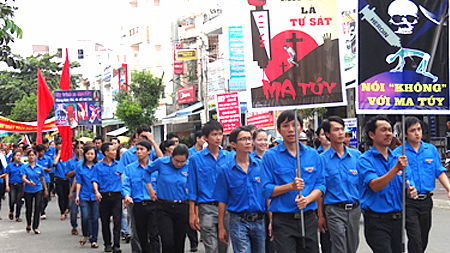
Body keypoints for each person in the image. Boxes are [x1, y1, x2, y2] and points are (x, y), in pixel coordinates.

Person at [260, 110, 325, 252]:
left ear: (301, 128)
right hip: (283, 220)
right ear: (279, 130)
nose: (290, 129)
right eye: (285, 126)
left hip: (308, 218)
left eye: (294, 125)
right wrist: (290, 186)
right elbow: (265, 189)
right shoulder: (270, 156)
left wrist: (307, 199)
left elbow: (320, 185)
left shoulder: (313, 154)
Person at [358, 115, 418, 253]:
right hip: (376, 221)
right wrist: (396, 169)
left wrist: (411, 190)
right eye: (383, 130)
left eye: (390, 130)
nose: (388, 134)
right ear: (372, 134)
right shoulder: (365, 160)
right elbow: (375, 185)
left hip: (397, 219)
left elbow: (408, 182)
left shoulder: (399, 158)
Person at [393, 116, 450, 253]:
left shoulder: (430, 150)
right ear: (405, 134)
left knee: (423, 237)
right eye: (413, 130)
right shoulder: (398, 153)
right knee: (415, 237)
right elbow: (398, 175)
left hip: (426, 200)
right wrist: (408, 187)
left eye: (419, 129)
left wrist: (449, 188)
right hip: (409, 201)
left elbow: (439, 171)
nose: (417, 133)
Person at [214, 126, 267, 253]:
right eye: (243, 139)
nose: (248, 142)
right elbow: (222, 201)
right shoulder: (225, 170)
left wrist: (271, 221)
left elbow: (268, 194)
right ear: (233, 144)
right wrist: (221, 227)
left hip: (260, 220)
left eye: (249, 139)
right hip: (238, 221)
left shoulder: (261, 166)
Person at [187, 120, 233, 253]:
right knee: (211, 247)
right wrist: (192, 214)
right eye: (214, 134)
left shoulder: (230, 157)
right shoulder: (196, 159)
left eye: (220, 134)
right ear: (206, 138)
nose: (218, 138)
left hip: (226, 208)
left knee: (223, 245)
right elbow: (192, 187)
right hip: (206, 207)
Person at [318, 117, 362, 253]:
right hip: (334, 210)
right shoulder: (322, 160)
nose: (341, 133)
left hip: (355, 209)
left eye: (342, 129)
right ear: (328, 135)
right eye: (336, 130)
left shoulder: (357, 156)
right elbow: (320, 189)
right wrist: (320, 215)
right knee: (339, 246)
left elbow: (363, 183)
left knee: (352, 247)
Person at [117, 124, 163, 253]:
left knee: (154, 234)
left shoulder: (155, 167)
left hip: (154, 204)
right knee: (140, 234)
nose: (138, 152)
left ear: (149, 152)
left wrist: (152, 141)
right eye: (137, 149)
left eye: (142, 149)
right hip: (138, 204)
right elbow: (125, 184)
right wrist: (126, 195)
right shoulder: (130, 168)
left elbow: (163, 160)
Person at [144, 144, 190, 253]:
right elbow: (147, 171)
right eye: (176, 161)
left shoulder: (189, 166)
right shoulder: (161, 162)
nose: (179, 164)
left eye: (182, 162)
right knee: (167, 241)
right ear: (171, 156)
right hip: (164, 207)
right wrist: (150, 188)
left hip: (182, 206)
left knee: (179, 242)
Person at [92, 143, 123, 253]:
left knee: (117, 221)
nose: (116, 152)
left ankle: (116, 245)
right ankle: (107, 244)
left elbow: (123, 179)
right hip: (104, 196)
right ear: (106, 152)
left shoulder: (119, 165)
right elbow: (94, 180)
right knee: (105, 221)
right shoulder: (98, 166)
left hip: (117, 196)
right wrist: (96, 192)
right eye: (113, 150)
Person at [75, 145, 100, 248]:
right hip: (84, 195)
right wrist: (77, 195)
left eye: (92, 154)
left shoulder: (98, 166)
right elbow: (79, 182)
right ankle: (86, 234)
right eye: (88, 154)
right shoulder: (79, 166)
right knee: (85, 216)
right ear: (84, 155)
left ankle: (94, 239)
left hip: (95, 196)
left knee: (95, 218)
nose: (90, 156)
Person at [187, 130, 206, 252]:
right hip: (193, 188)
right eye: (204, 139)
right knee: (193, 215)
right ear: (198, 139)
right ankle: (194, 240)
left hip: (204, 191)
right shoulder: (190, 154)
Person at [21, 149, 48, 234]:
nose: (31, 157)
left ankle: (35, 226)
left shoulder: (39, 167)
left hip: (38, 189)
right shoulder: (25, 167)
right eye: (30, 155)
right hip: (28, 190)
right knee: (29, 208)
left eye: (33, 155)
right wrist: (29, 182)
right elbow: (23, 178)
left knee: (38, 207)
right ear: (27, 156)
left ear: (36, 156)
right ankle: (28, 223)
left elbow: (42, 179)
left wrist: (45, 189)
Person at [66, 140, 83, 235]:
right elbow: (67, 176)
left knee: (86, 212)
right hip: (73, 188)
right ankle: (74, 225)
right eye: (78, 148)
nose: (80, 150)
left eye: (82, 148)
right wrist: (76, 170)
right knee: (73, 211)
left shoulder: (87, 160)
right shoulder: (70, 162)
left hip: (85, 189)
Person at [5, 150, 24, 221]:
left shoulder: (22, 166)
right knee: (12, 199)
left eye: (20, 155)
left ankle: (17, 215)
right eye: (17, 155)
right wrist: (7, 185)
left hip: (20, 184)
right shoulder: (10, 165)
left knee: (19, 200)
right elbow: (7, 175)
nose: (18, 157)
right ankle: (11, 210)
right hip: (12, 184)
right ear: (13, 156)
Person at [36, 144, 52, 220]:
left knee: (46, 197)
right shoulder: (36, 159)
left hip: (46, 179)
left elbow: (50, 169)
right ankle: (41, 211)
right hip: (38, 181)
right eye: (40, 151)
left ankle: (43, 208)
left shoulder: (48, 159)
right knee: (40, 197)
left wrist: (46, 169)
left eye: (42, 151)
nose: (41, 153)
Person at [53, 146, 70, 221]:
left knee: (66, 196)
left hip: (66, 180)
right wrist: (59, 155)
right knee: (60, 196)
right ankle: (62, 212)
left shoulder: (67, 160)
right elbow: (54, 163)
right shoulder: (56, 159)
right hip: (58, 180)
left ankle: (66, 209)